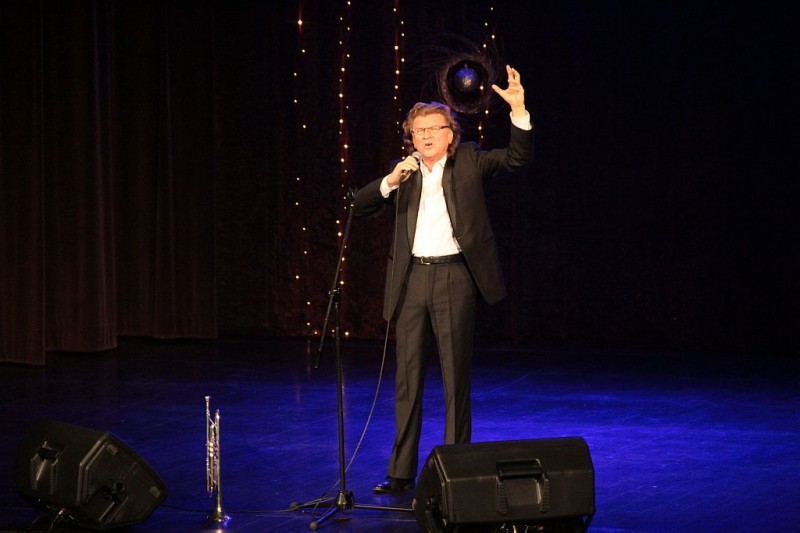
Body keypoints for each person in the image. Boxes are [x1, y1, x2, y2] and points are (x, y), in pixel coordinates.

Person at [353, 65, 533, 495]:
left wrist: (519, 111)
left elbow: (516, 158)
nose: (426, 136)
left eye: (434, 128)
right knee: (407, 379)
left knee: (455, 377)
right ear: (411, 139)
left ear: (450, 135)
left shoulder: (469, 159)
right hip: (413, 280)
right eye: (419, 131)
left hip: (455, 277)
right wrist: (389, 181)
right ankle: (401, 472)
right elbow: (359, 206)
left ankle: (457, 467)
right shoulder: (404, 173)